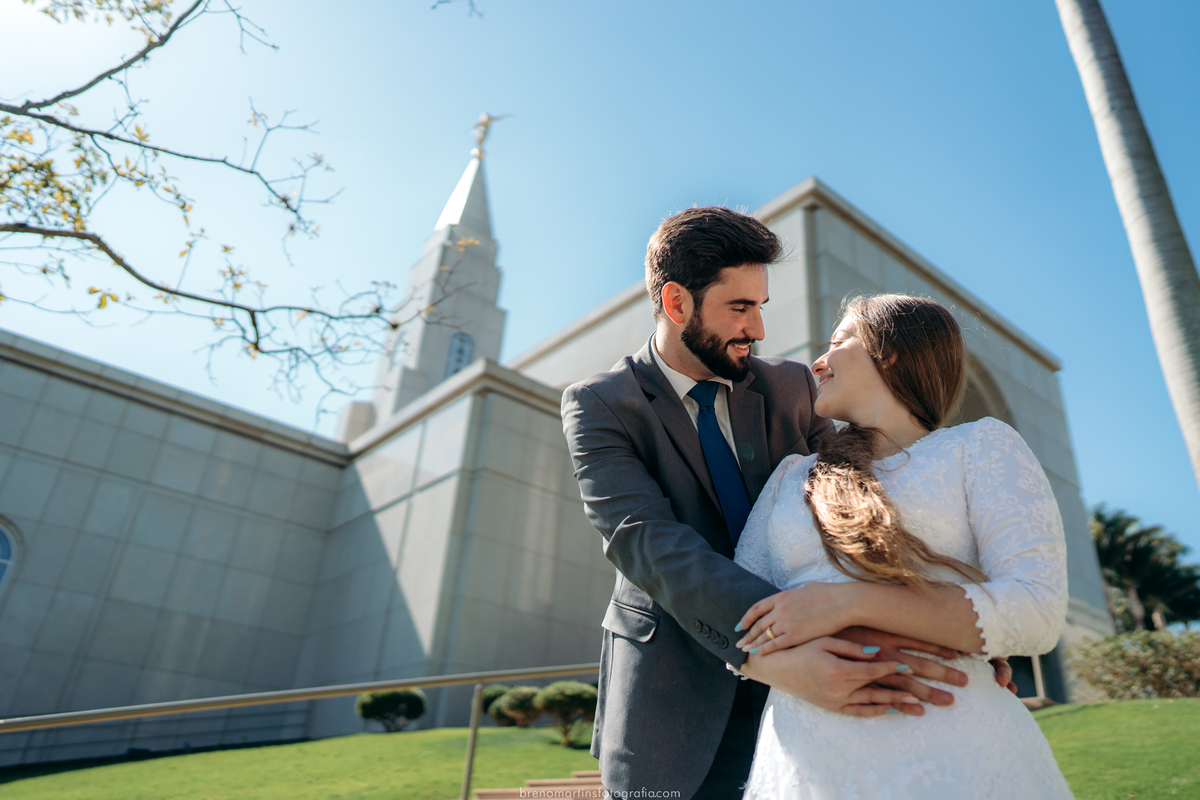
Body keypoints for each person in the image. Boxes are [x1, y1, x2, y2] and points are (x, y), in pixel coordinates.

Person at [561, 207, 1014, 800]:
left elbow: (864, 507)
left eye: (761, 307)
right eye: (739, 308)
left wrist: (942, 625)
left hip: (827, 686)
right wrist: (779, 648)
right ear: (676, 304)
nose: (758, 330)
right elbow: (644, 539)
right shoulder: (599, 404)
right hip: (675, 692)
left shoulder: (794, 389)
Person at [731, 293, 1074, 798]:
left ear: (888, 349)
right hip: (804, 757)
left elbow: (1037, 611)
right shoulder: (790, 477)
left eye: (838, 341)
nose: (818, 363)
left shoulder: (978, 448)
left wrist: (846, 604)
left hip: (957, 747)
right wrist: (778, 668)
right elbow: (734, 618)